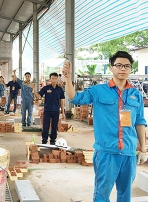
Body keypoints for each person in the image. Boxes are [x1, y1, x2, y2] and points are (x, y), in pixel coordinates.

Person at [62, 51, 147, 201]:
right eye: (119, 65)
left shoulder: (136, 94)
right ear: (111, 68)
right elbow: (74, 98)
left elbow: (140, 122)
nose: (123, 69)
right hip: (106, 153)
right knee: (102, 195)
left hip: (128, 153)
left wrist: (143, 149)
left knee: (125, 194)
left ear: (130, 69)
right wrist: (68, 79)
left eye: (127, 66)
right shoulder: (98, 91)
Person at [38, 72, 65, 145]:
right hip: (47, 110)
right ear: (50, 79)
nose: (54, 80)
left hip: (56, 110)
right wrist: (34, 89)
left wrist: (63, 112)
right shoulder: (46, 88)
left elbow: (62, 100)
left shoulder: (60, 89)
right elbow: (38, 95)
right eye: (53, 78)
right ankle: (44, 141)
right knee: (45, 126)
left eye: (56, 78)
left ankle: (53, 141)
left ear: (57, 79)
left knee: (54, 126)